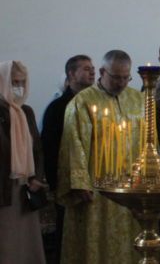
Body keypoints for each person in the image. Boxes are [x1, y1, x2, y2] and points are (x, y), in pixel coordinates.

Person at [57, 50, 143, 264]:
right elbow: (73, 143)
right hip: (96, 188)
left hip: (130, 187)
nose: (122, 83)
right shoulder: (83, 102)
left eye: (126, 77)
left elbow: (149, 141)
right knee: (94, 243)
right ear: (103, 72)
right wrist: (80, 183)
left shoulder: (137, 100)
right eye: (116, 77)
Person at [40, 54, 95, 262]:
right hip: (67, 184)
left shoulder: (97, 104)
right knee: (67, 234)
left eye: (93, 68)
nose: (92, 71)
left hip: (95, 182)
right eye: (86, 68)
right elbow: (50, 147)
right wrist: (58, 184)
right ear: (71, 74)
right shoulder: (57, 108)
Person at [0, 61, 46, 264]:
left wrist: (37, 176)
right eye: (13, 82)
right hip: (4, 185)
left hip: (25, 185)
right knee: (6, 239)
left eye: (21, 82)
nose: (18, 87)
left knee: (26, 240)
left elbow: (36, 147)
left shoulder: (26, 111)